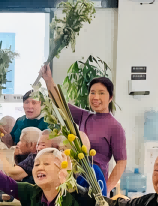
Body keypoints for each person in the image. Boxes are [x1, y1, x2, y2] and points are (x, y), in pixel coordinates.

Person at [42, 65, 127, 193]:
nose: (96, 97)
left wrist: (105, 190)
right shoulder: (84, 116)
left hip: (96, 183)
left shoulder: (115, 127)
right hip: (74, 180)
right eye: (92, 92)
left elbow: (121, 162)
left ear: (110, 97)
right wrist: (48, 80)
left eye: (101, 93)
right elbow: (59, 103)